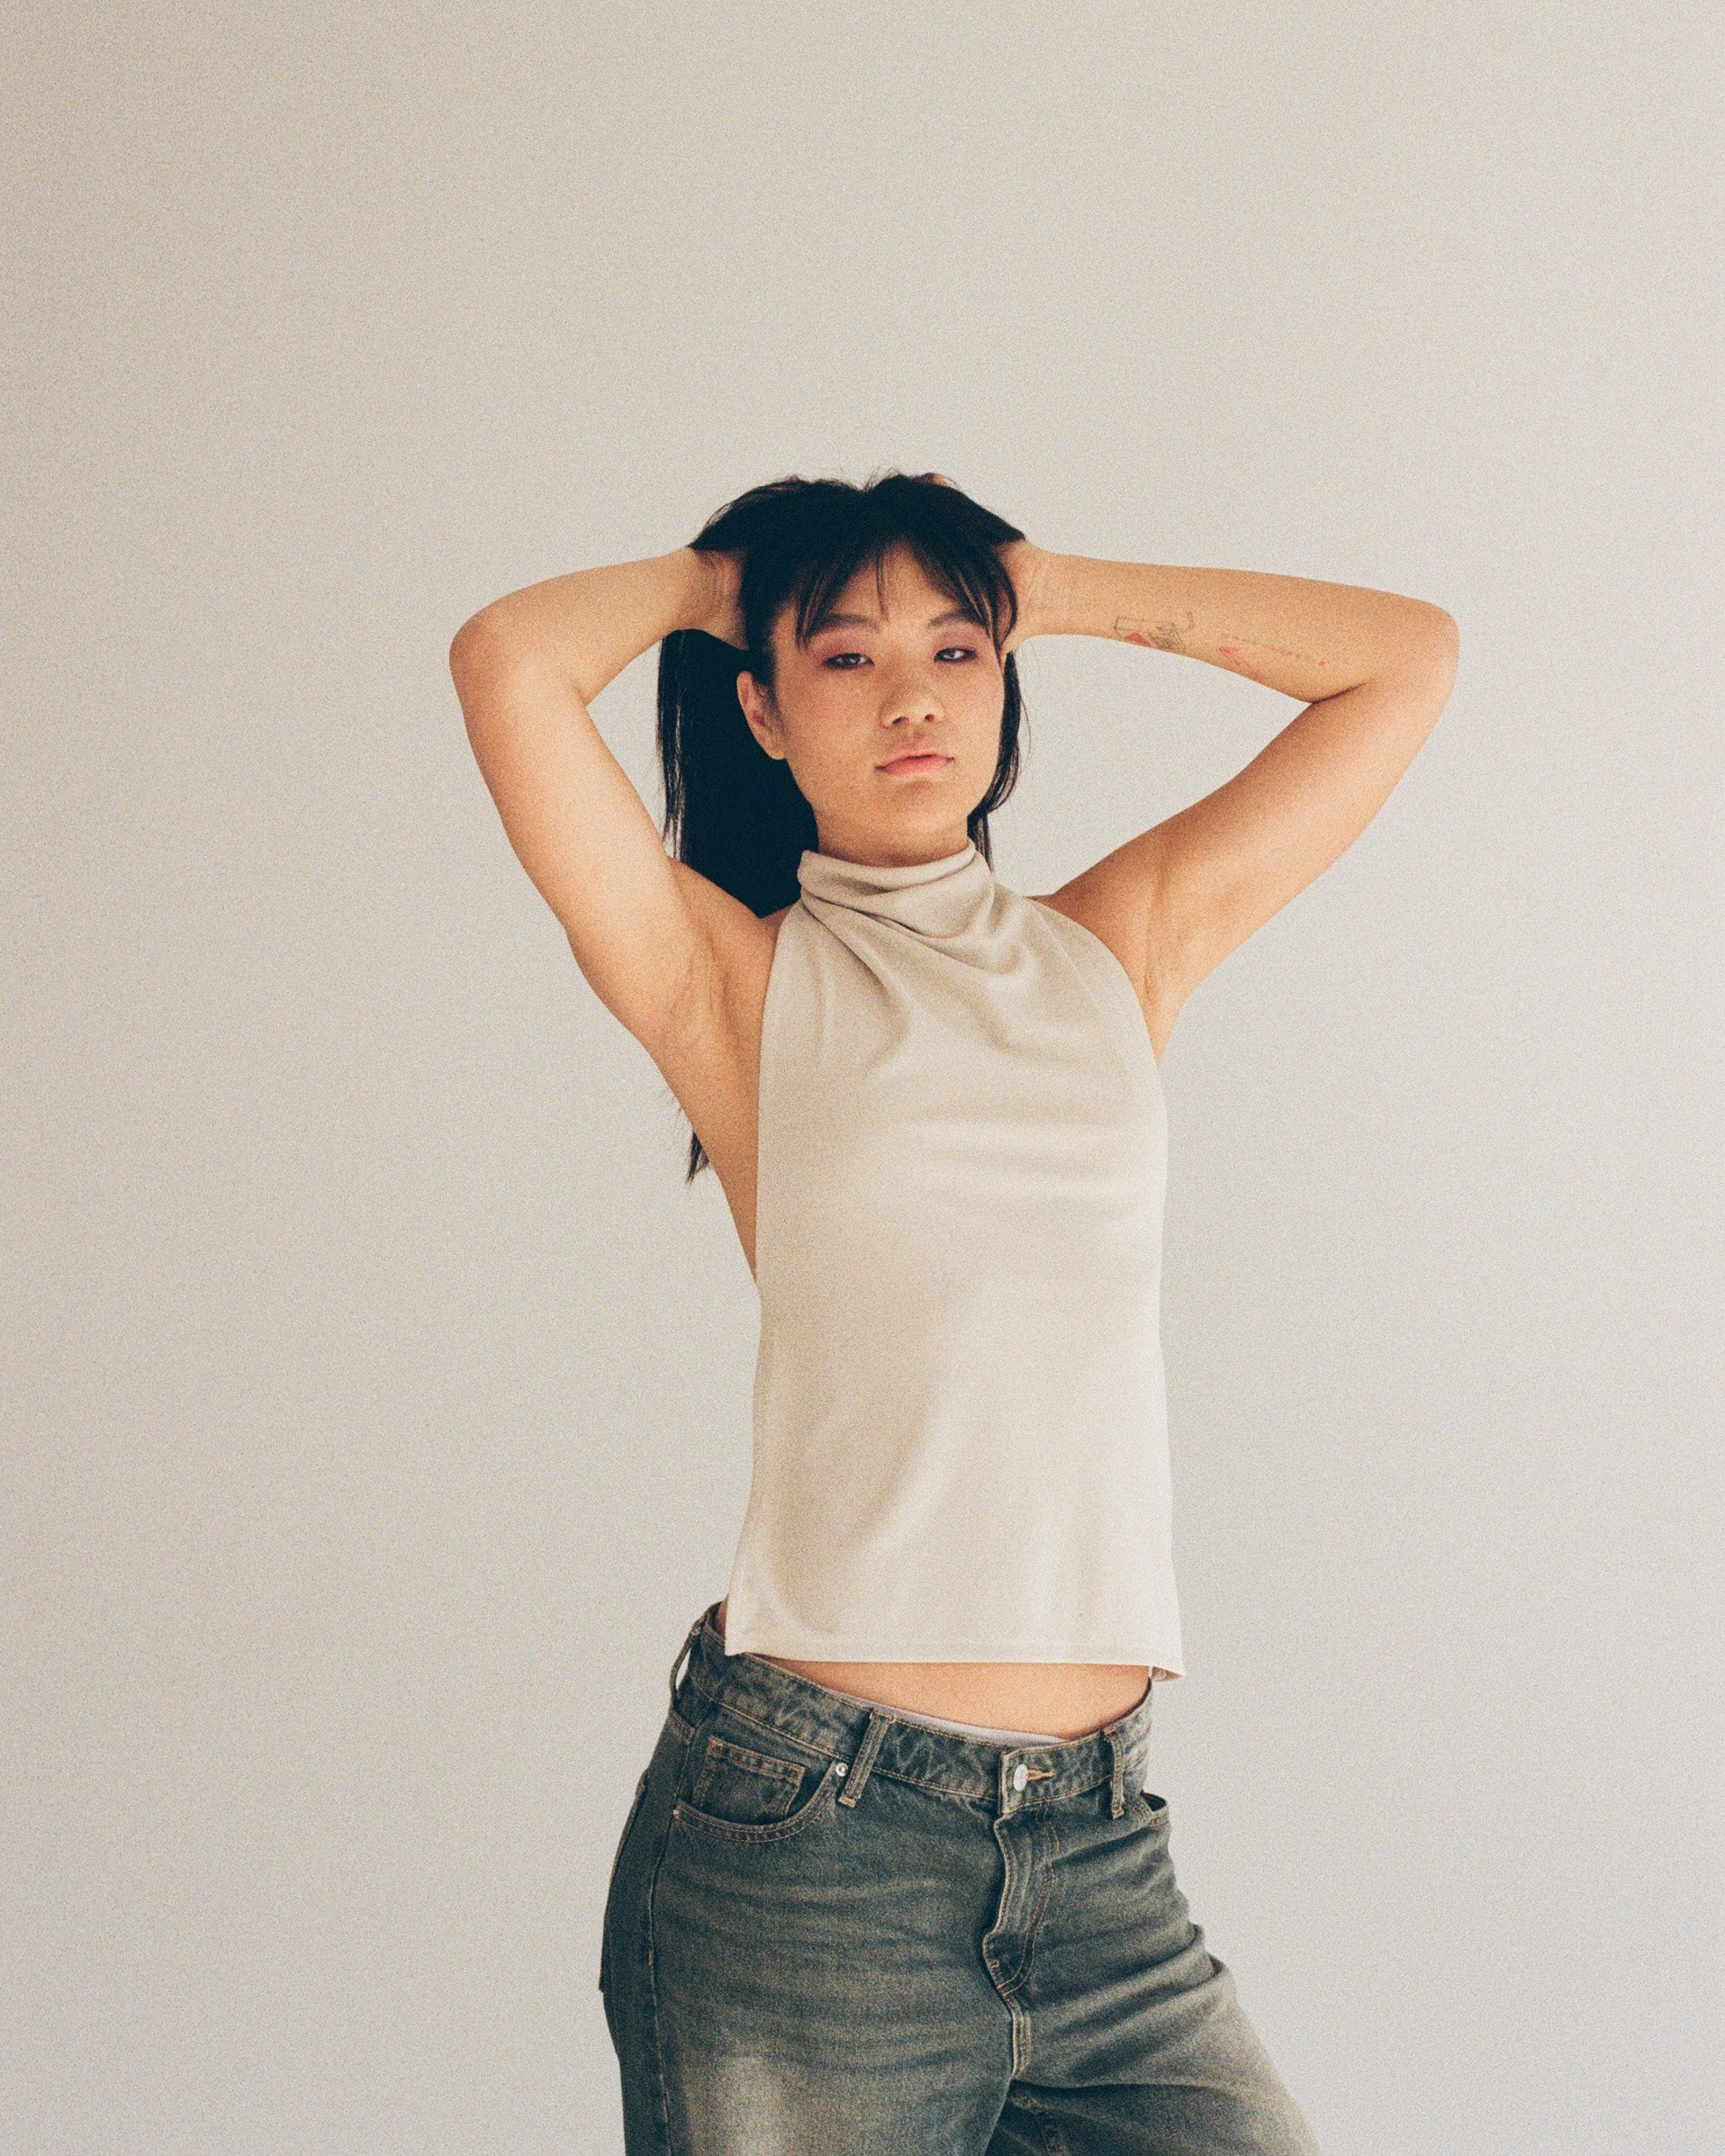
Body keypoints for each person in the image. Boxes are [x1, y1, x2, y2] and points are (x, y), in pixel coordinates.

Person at [449, 470, 1459, 2152]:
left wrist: (1043, 585)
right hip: (816, 1845)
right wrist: (724, 586)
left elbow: (1405, 660)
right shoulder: (736, 984)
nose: (912, 697)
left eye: (955, 652)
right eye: (845, 659)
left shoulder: (1118, 948)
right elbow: (507, 660)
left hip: (1099, 1848)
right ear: (762, 711)